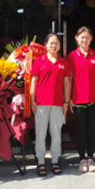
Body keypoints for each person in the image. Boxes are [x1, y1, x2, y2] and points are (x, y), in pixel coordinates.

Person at [30, 33, 71, 176]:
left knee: (56, 133)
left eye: (56, 43)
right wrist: (32, 100)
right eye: (51, 43)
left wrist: (66, 101)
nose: (54, 45)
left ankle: (55, 160)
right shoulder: (38, 61)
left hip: (58, 103)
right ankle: (41, 161)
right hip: (41, 103)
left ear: (60, 46)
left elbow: (66, 83)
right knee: (40, 133)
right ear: (46, 45)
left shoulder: (64, 63)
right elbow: (34, 81)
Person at [68, 27, 95, 173]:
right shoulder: (72, 56)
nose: (84, 40)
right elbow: (69, 78)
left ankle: (90, 157)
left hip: (94, 98)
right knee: (80, 130)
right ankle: (82, 159)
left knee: (92, 130)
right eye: (82, 37)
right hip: (78, 99)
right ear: (76, 38)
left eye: (87, 37)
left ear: (91, 39)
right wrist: (68, 97)